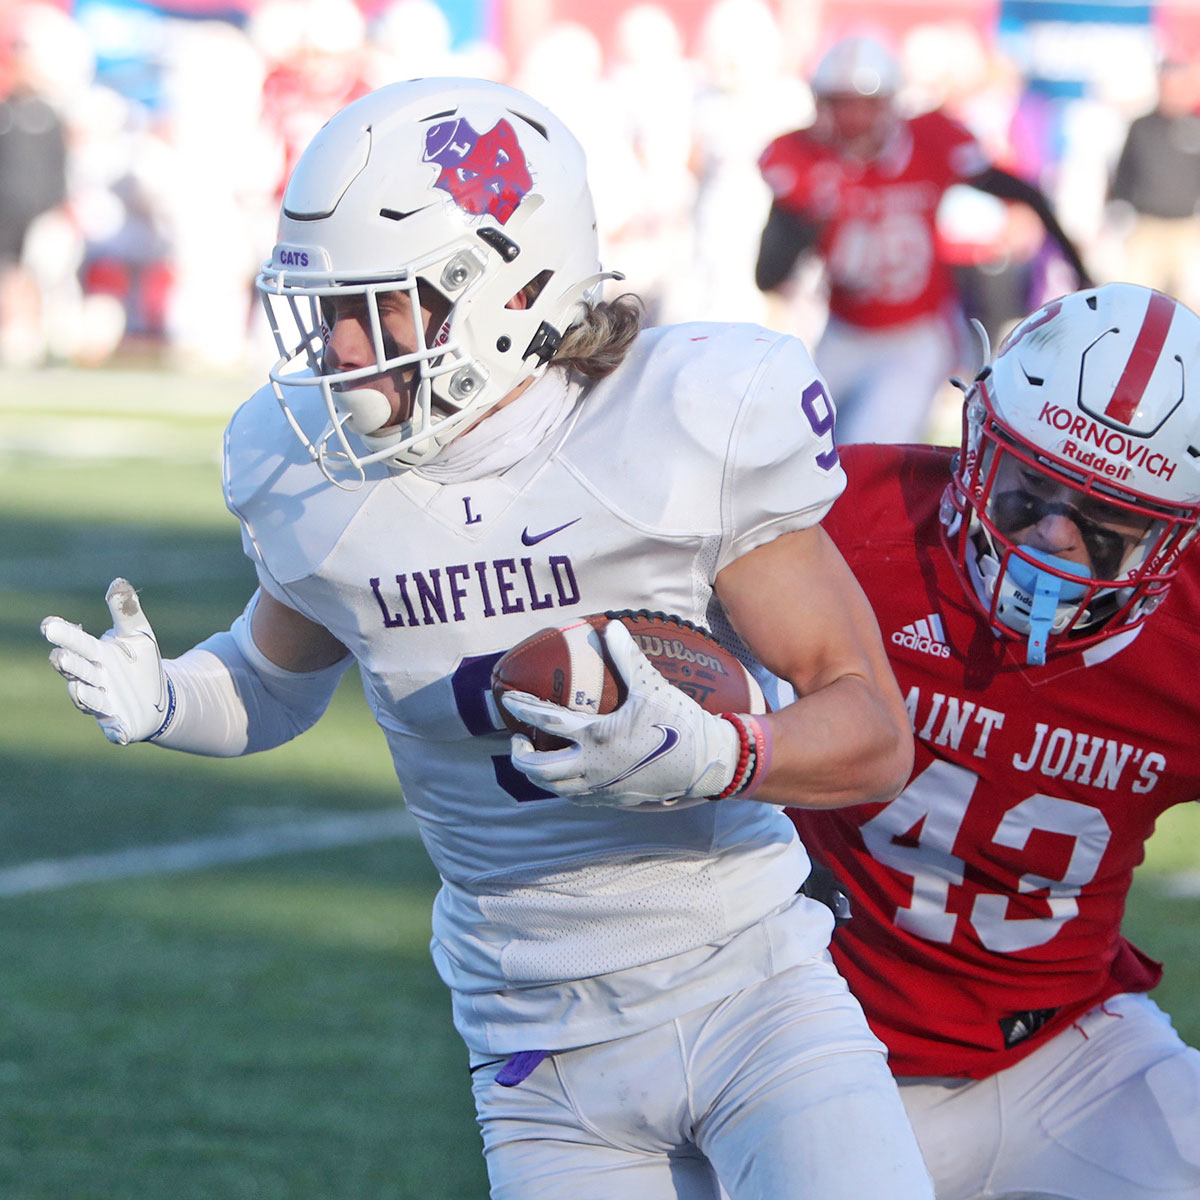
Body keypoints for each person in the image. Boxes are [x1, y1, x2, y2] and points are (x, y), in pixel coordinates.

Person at [40, 78, 934, 1199]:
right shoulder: (316, 476)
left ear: (507, 286)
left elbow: (871, 730)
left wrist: (718, 754)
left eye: (380, 304)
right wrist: (172, 697)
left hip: (751, 994)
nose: (340, 347)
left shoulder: (680, 422)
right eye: (328, 307)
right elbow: (269, 685)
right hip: (535, 1047)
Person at [788, 281, 1200, 1198]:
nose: (1052, 534)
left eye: (1105, 521)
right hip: (814, 1053)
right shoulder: (850, 516)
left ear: (1169, 540)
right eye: (1030, 489)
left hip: (1070, 1048)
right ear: (979, 441)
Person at [756, 34, 1092, 445]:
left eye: (866, 104)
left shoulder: (930, 141)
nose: (854, 118)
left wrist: (1079, 268)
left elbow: (1025, 194)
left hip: (913, 335)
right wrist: (807, 216)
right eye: (841, 103)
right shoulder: (803, 158)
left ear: (890, 103)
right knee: (796, 444)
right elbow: (768, 275)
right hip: (842, 329)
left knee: (866, 446)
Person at [1107, 53, 1200, 312]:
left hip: (1187, 229)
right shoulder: (1141, 127)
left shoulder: (1195, 127)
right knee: (1137, 303)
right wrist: (1117, 212)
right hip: (1146, 228)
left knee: (1188, 307)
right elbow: (1123, 173)